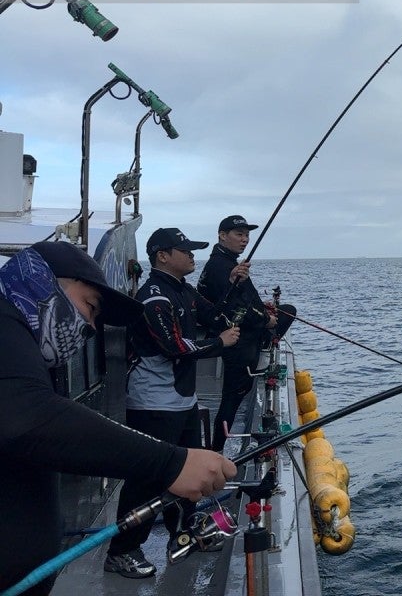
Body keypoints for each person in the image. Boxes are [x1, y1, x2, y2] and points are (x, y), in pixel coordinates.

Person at [0, 240, 236, 595]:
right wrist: (169, 462)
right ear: (43, 280)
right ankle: (125, 551)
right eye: (91, 306)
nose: (91, 327)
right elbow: (26, 417)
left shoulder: (25, 347)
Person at [103, 228, 245, 577]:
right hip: (152, 405)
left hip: (182, 403)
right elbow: (174, 347)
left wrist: (234, 283)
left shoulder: (183, 290)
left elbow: (215, 315)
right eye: (185, 250)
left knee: (188, 475)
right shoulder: (154, 297)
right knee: (146, 480)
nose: (192, 255)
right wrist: (219, 345)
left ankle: (181, 535)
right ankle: (121, 551)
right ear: (163, 256)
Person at [197, 215, 294, 453]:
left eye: (247, 235)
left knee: (288, 311)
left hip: (241, 334)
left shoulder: (226, 262)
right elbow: (237, 308)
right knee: (232, 398)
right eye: (239, 234)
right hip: (238, 341)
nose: (245, 240)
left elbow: (246, 299)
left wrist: (264, 309)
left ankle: (266, 339)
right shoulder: (223, 267)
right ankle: (216, 449)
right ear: (222, 235)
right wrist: (267, 320)